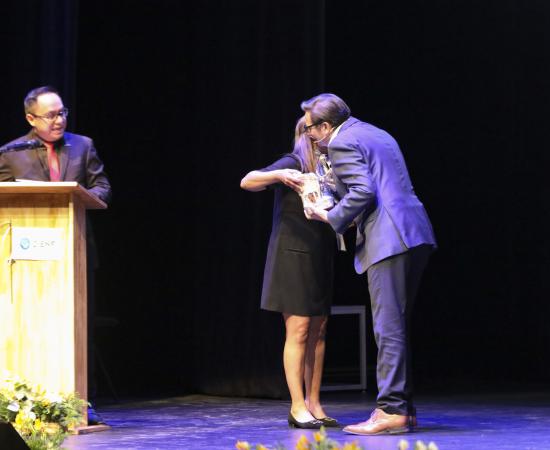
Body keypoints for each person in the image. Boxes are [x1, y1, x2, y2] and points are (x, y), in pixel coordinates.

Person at [302, 93, 437, 435]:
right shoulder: (376, 132)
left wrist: (329, 215)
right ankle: (403, 409)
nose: (310, 136)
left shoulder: (341, 142)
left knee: (388, 327)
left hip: (388, 239)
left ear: (325, 126)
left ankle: (391, 410)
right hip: (414, 232)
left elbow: (363, 191)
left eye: (310, 129)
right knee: (396, 325)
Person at [0, 86, 111, 425]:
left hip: (76, 251)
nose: (59, 120)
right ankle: (24, 399)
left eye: (62, 113)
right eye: (50, 115)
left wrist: (79, 195)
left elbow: (102, 187)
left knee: (79, 329)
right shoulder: (10, 153)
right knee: (29, 326)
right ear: (30, 118)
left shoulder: (83, 145)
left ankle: (82, 401)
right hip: (27, 259)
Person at [240, 116, 340, 429]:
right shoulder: (293, 162)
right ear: (307, 134)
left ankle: (314, 402)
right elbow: (248, 181)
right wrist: (279, 175)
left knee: (319, 330)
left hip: (320, 253)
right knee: (299, 330)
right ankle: (297, 406)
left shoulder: (329, 167)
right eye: (319, 131)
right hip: (292, 255)